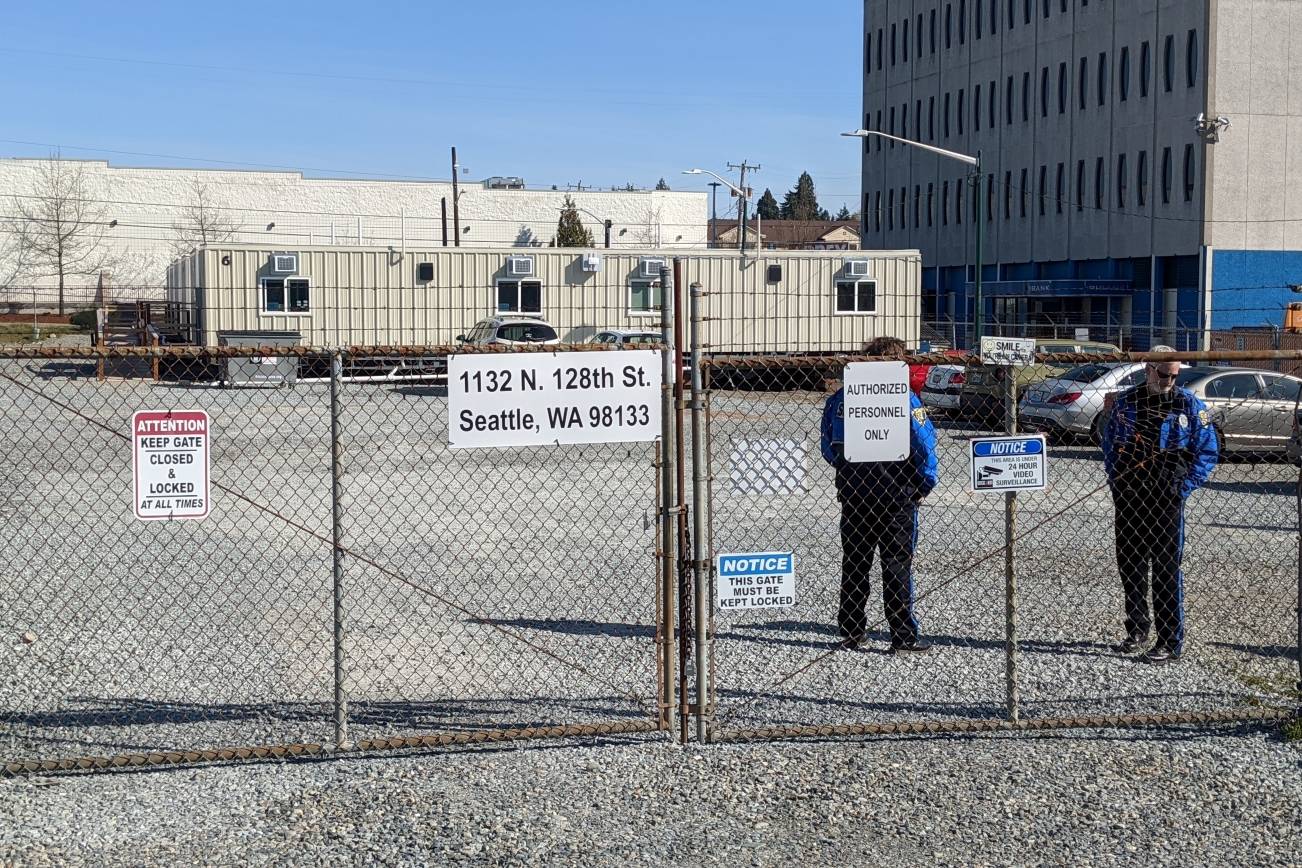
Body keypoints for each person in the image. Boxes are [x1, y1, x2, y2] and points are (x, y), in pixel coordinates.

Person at [820, 336, 939, 653]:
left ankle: (852, 631)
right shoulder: (906, 400)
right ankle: (902, 635)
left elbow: (828, 446)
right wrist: (924, 483)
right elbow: (925, 443)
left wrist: (848, 470)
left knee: (855, 562)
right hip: (898, 494)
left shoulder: (840, 400)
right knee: (897, 563)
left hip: (855, 492)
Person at [1101, 346, 1218, 663]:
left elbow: (1208, 451)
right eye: (1165, 374)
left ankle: (1169, 640)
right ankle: (1137, 629)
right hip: (1130, 495)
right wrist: (1116, 480)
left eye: (1176, 375)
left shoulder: (1188, 405)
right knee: (1131, 565)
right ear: (1149, 369)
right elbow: (1109, 443)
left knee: (1166, 569)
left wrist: (1184, 487)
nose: (1170, 381)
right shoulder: (1127, 402)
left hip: (1167, 498)